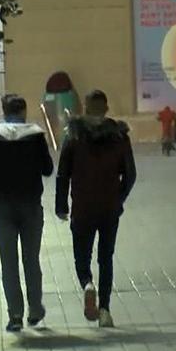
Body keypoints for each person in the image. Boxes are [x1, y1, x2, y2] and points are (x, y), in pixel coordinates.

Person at [55, 89, 137, 328]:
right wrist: (118, 198)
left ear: (84, 108)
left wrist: (61, 205)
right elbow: (130, 174)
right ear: (107, 109)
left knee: (82, 256)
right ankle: (105, 311)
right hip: (109, 209)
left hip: (82, 208)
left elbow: (63, 174)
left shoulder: (74, 135)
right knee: (106, 258)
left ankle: (87, 284)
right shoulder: (119, 137)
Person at [0, 94, 54, 332]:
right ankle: (35, 309)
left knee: (8, 262)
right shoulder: (35, 135)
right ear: (24, 111)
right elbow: (48, 169)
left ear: (3, 111)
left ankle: (15, 315)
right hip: (30, 204)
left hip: (3, 205)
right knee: (31, 260)